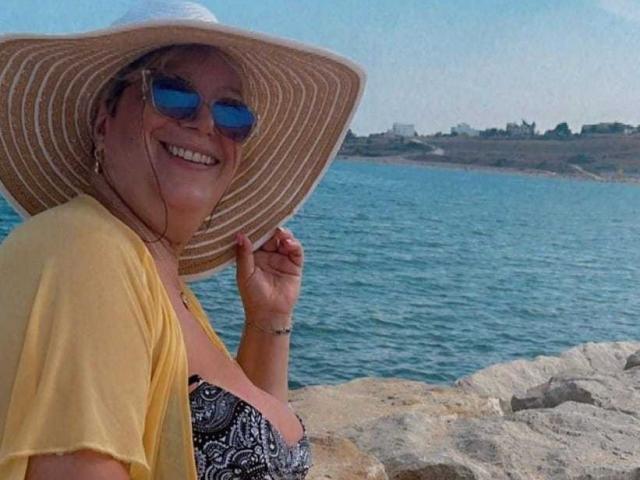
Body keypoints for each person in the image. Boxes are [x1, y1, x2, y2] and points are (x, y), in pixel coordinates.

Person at [0, 1, 365, 479]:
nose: (206, 123)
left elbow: (254, 452)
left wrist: (268, 319)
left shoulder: (157, 281)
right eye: (173, 94)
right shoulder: (86, 253)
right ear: (104, 120)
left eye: (232, 112)